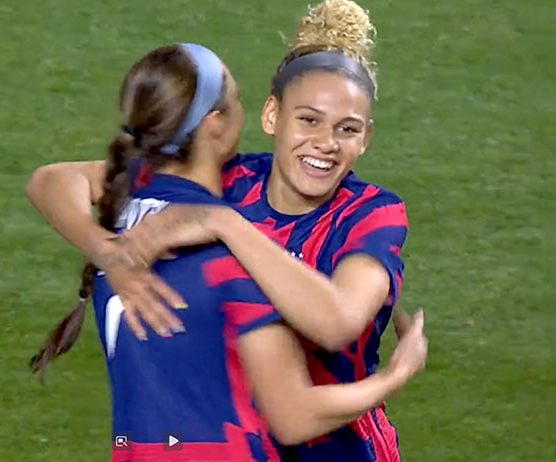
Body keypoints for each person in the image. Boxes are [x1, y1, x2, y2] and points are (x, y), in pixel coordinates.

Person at [26, 2, 418, 460]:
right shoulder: (226, 179)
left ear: (365, 138)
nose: (326, 144)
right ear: (271, 115)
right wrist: (106, 250)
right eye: (308, 120)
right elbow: (54, 181)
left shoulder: (371, 213)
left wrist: (225, 223)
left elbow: (338, 322)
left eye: (347, 129)